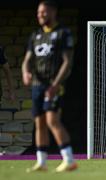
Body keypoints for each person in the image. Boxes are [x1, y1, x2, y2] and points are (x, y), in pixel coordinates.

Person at [22, 0, 77, 172]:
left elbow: (67, 62)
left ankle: (69, 160)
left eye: (43, 12)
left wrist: (55, 84)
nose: (40, 15)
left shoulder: (63, 33)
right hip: (38, 85)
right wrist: (25, 72)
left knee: (52, 120)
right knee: (39, 123)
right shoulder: (35, 36)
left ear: (53, 12)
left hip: (53, 84)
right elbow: (26, 61)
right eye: (38, 12)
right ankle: (41, 162)